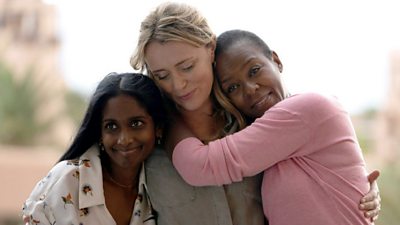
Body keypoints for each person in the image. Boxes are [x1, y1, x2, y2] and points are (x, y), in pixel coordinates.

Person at [130, 2, 381, 224]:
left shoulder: (301, 112)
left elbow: (202, 165)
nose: (177, 84)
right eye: (161, 76)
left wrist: (169, 115)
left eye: (186, 67)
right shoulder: (144, 142)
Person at [22, 73, 166, 225]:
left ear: (158, 128)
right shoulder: (66, 181)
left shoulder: (163, 188)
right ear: (99, 133)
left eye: (136, 123)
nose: (124, 139)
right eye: (111, 126)